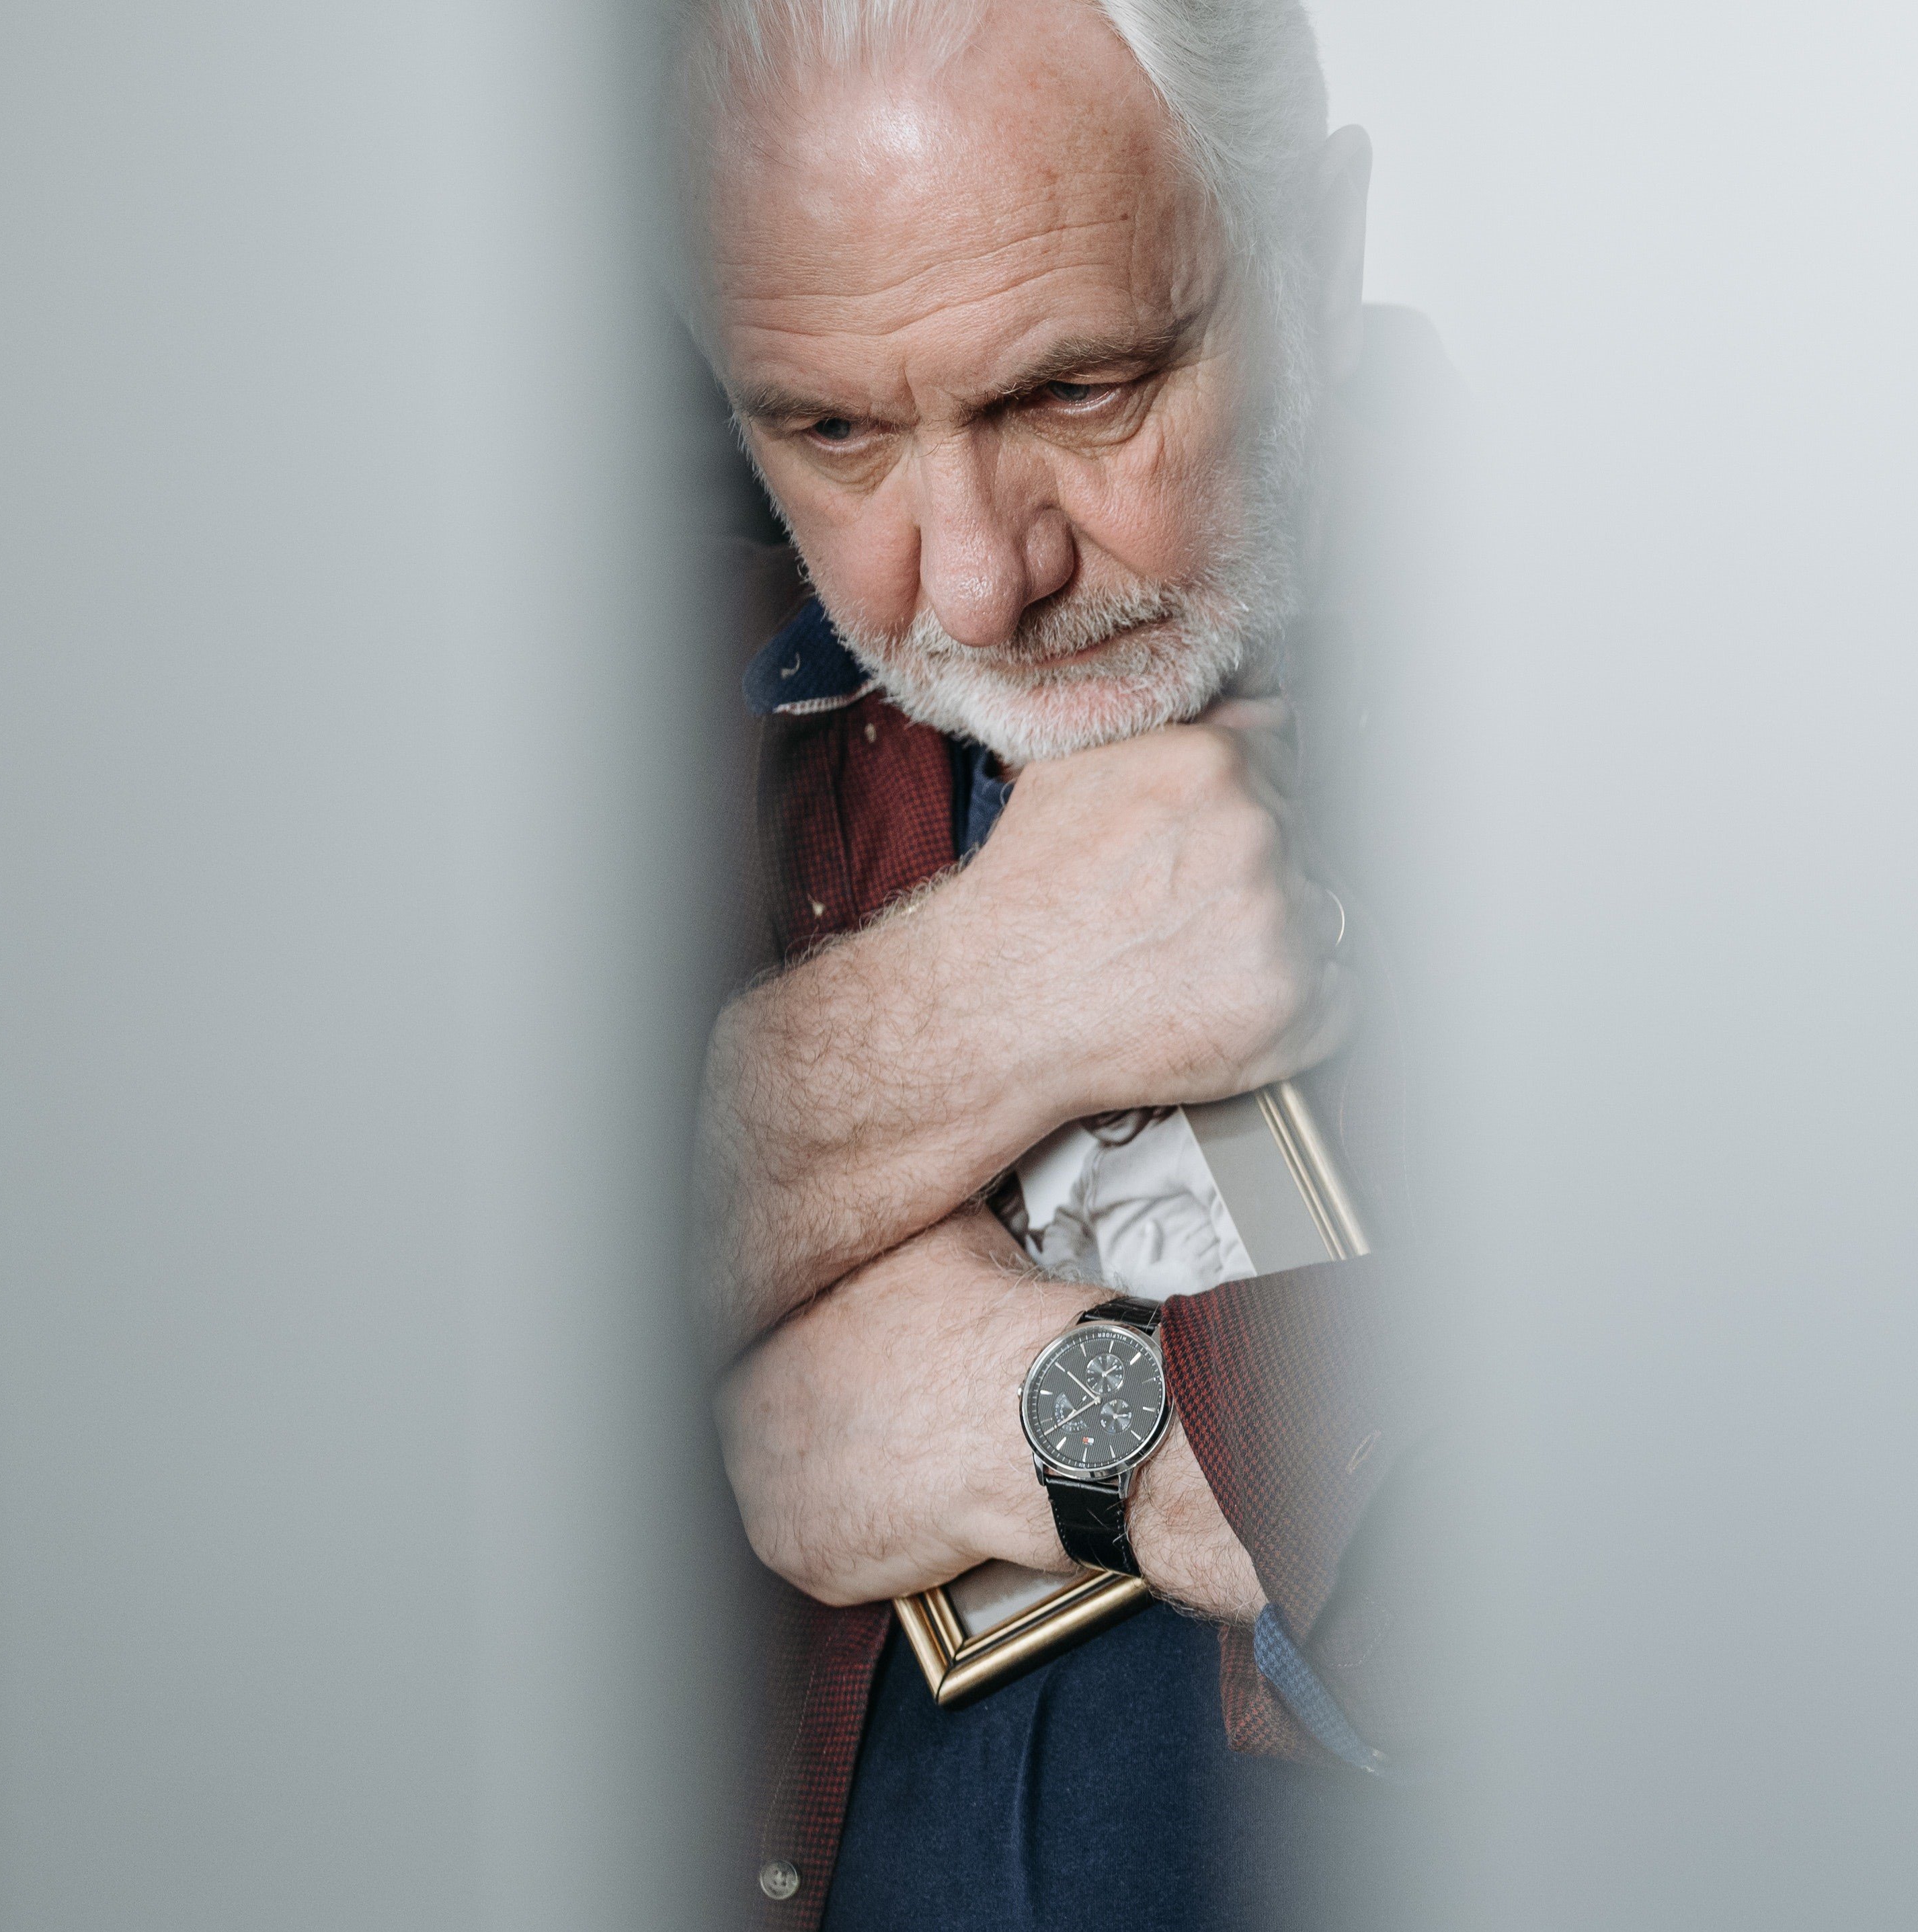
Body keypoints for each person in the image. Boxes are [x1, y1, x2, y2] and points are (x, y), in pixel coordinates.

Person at [674, 1, 1447, 1924]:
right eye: (833, 429)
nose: (967, 582)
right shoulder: (614, 740)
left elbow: (1813, 1610)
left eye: (1082, 390)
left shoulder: (1722, 718)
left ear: (1321, 261)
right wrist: (996, 993)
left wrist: (1068, 1423)